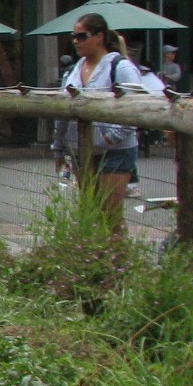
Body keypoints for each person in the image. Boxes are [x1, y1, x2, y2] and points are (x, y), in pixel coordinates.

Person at [50, 12, 143, 228]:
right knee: (89, 212)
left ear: (99, 37)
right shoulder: (74, 70)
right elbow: (61, 110)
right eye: (73, 36)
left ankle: (119, 260)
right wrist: (58, 148)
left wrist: (109, 139)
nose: (75, 41)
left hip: (115, 152)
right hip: (82, 152)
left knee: (111, 215)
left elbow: (136, 109)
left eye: (82, 36)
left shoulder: (121, 68)